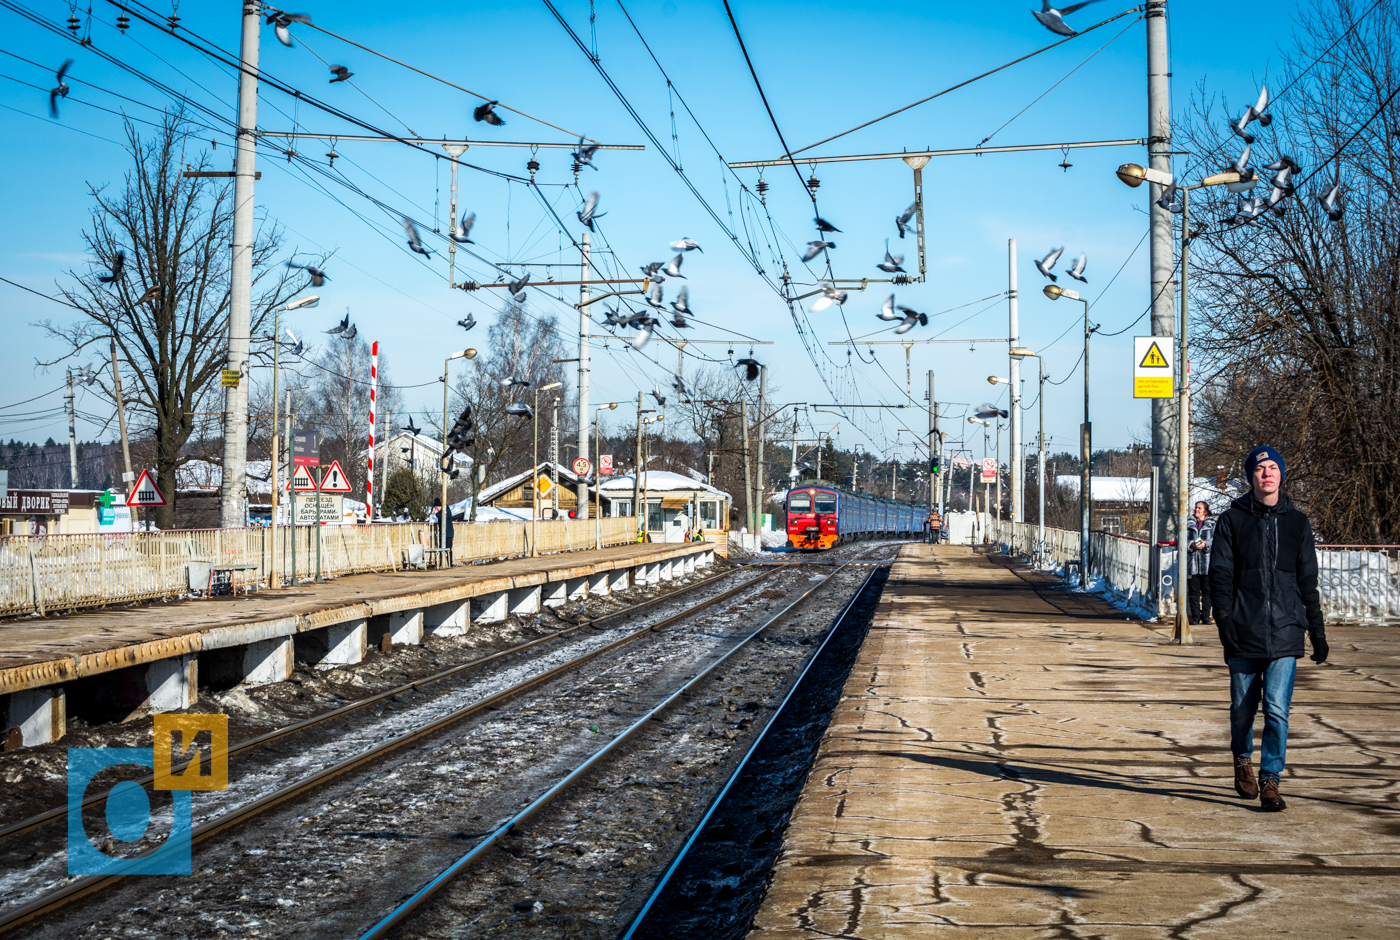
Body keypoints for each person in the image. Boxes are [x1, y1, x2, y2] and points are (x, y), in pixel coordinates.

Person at [1208, 445, 1328, 812]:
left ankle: (1270, 779)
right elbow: (1221, 577)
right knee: (1243, 709)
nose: (1267, 474)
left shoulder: (1298, 523)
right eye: (1260, 469)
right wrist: (1224, 622)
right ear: (1251, 477)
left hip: (1286, 631)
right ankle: (1242, 759)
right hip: (1244, 630)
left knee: (1276, 709)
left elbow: (1308, 581)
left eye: (1273, 467)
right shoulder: (1231, 521)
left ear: (1282, 475)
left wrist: (1317, 631)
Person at [1187, 501, 1216, 624]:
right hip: (1192, 563)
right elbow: (1180, 537)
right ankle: (1195, 617)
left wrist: (1206, 544)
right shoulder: (1188, 524)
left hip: (1207, 563)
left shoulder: (1212, 524)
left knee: (1207, 591)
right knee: (1193, 592)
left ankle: (1205, 616)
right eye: (1196, 508)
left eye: (1199, 508)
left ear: (1205, 511)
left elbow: (1218, 539)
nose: (1196, 510)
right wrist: (1191, 544)